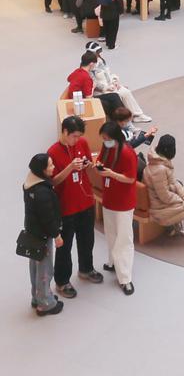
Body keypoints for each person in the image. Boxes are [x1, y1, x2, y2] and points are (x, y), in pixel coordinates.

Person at [47, 115, 103, 298]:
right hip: (66, 208)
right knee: (65, 247)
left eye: (79, 136)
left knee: (87, 240)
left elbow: (88, 163)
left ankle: (86, 269)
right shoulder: (53, 152)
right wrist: (70, 168)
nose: (77, 140)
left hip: (85, 201)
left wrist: (87, 164)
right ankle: (62, 281)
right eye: (74, 136)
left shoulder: (82, 143)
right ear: (65, 131)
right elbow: (53, 181)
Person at [97, 121, 137, 295]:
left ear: (115, 137)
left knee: (124, 240)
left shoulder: (128, 153)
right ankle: (113, 262)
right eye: (103, 139)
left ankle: (125, 278)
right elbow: (100, 160)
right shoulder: (107, 148)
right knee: (111, 234)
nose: (105, 142)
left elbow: (130, 179)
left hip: (123, 204)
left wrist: (111, 174)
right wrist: (98, 167)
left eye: (107, 138)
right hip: (109, 200)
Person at [23, 153, 64, 316]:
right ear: (42, 170)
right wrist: (57, 235)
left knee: (35, 266)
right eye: (50, 165)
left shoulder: (29, 184)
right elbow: (48, 219)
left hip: (32, 232)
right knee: (45, 269)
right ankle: (45, 303)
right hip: (43, 235)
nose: (53, 167)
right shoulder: (42, 191)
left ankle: (37, 297)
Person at [84, 40, 152, 122]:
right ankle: (126, 118)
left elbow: (108, 73)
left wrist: (115, 81)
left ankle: (138, 115)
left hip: (111, 85)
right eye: (97, 51)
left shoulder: (101, 60)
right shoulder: (88, 64)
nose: (99, 53)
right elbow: (93, 82)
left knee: (126, 92)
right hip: (101, 91)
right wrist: (106, 88)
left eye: (99, 51)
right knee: (118, 94)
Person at [67, 50, 122, 117]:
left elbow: (68, 79)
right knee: (113, 100)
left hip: (74, 98)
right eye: (95, 64)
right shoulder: (87, 77)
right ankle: (121, 118)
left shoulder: (77, 71)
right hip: (81, 102)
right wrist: (93, 86)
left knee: (114, 96)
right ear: (91, 64)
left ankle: (120, 118)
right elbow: (89, 98)